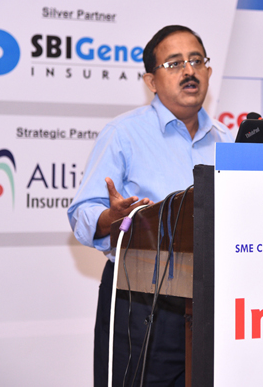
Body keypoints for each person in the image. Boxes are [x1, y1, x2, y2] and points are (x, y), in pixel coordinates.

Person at [68, 25, 233, 386]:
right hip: (141, 302)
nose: (188, 71)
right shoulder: (124, 133)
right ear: (151, 81)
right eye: (174, 63)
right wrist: (111, 218)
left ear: (208, 71)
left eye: (196, 61)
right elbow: (82, 214)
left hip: (211, 303)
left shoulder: (227, 141)